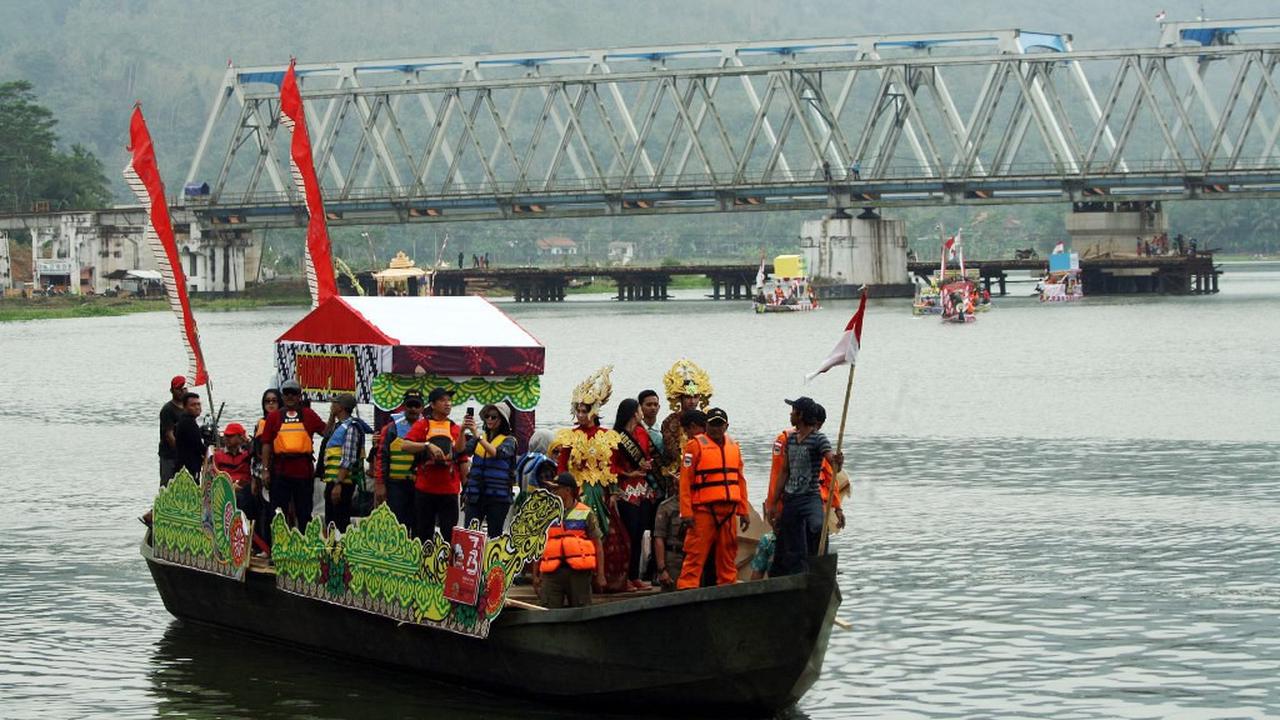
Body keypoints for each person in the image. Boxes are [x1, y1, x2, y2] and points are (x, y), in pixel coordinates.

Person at [549, 366, 629, 592]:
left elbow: (613, 467)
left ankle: (602, 577)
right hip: (578, 491)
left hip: (602, 492)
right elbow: (562, 467)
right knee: (578, 534)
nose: (581, 415)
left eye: (585, 411)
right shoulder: (568, 436)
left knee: (604, 534)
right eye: (579, 410)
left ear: (594, 411)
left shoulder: (609, 437)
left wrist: (613, 492)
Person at [768, 397, 842, 578]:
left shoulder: (819, 439)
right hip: (791, 498)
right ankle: (796, 576)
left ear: (800, 415)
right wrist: (773, 502)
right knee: (791, 544)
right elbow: (784, 472)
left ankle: (817, 571)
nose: (790, 414)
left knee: (817, 527)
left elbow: (832, 462)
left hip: (810, 497)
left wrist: (837, 462)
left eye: (793, 411)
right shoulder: (791, 440)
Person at [677, 408, 749, 589]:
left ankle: (727, 588)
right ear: (706, 426)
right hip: (703, 511)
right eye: (712, 424)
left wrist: (744, 510)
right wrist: (686, 512)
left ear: (726, 426)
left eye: (720, 424)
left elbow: (740, 479)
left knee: (728, 554)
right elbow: (685, 482)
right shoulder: (694, 446)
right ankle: (687, 589)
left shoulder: (734, 446)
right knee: (694, 554)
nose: (716, 429)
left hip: (729, 511)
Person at [396, 387, 467, 542]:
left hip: (449, 489)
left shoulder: (455, 428)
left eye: (449, 401)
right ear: (433, 405)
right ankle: (423, 564)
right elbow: (405, 445)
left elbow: (461, 455)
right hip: (425, 488)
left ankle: (447, 565)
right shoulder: (423, 425)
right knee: (423, 533)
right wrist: (427, 445)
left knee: (449, 535)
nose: (448, 404)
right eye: (443, 400)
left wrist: (466, 487)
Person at [260, 379, 327, 532]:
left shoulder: (309, 415)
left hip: (303, 472)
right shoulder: (273, 417)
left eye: (294, 393)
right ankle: (277, 547)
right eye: (286, 393)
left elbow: (326, 433)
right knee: (278, 513)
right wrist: (265, 470)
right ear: (282, 396)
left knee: (304, 512)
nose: (290, 396)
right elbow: (266, 444)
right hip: (280, 471)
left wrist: (333, 416)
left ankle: (305, 545)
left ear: (299, 396)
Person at [534, 472, 606, 608]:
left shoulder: (586, 513)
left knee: (582, 610)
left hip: (579, 574)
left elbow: (598, 545)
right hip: (552, 574)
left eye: (556, 489)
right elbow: (539, 545)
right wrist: (535, 575)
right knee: (548, 610)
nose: (552, 492)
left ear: (567, 491)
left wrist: (600, 575)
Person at [610, 398, 659, 590]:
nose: (641, 413)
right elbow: (611, 465)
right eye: (639, 409)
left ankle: (634, 575)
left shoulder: (642, 432)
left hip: (642, 490)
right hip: (625, 489)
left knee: (639, 533)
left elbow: (647, 456)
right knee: (627, 534)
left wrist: (647, 464)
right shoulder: (616, 437)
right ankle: (624, 578)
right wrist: (628, 473)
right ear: (633, 413)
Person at [462, 402, 518, 538]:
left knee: (495, 536)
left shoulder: (510, 441)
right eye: (487, 416)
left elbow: (497, 453)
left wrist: (477, 435)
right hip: (475, 496)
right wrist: (462, 431)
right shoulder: (479, 439)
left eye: (494, 417)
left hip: (498, 498)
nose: (489, 420)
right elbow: (461, 451)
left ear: (502, 420)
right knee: (470, 533)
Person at [659, 360, 713, 496]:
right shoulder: (670, 421)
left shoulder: (706, 418)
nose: (692, 401)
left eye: (695, 397)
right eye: (688, 397)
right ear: (680, 399)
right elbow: (672, 452)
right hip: (678, 475)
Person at [376, 389, 425, 532]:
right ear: (404, 406)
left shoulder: (429, 426)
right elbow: (381, 457)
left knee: (419, 525)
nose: (413, 409)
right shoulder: (391, 429)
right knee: (397, 526)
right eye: (410, 405)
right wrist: (380, 484)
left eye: (417, 405)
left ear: (422, 408)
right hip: (396, 485)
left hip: (420, 485)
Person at [321, 394, 367, 533]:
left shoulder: (351, 428)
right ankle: (332, 549)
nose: (331, 406)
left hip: (342, 482)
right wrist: (331, 417)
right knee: (331, 519)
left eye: (334, 403)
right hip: (332, 480)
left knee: (340, 519)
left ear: (341, 407)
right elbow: (325, 434)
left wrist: (338, 484)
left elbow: (348, 457)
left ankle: (340, 550)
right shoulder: (337, 426)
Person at [652, 486, 692, 590]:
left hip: (693, 558)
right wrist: (661, 569)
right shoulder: (666, 506)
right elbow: (659, 538)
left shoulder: (698, 504)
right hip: (674, 559)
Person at [213, 423, 254, 516]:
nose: (227, 438)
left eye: (230, 436)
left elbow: (256, 451)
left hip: (244, 488)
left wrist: (246, 440)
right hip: (225, 488)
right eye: (226, 436)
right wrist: (231, 486)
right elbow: (214, 476)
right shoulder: (218, 456)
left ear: (240, 438)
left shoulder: (247, 454)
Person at [158, 375, 187, 486]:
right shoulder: (168, 410)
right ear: (172, 390)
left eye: (183, 388)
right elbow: (169, 435)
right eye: (178, 388)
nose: (181, 391)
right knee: (168, 485)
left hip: (183, 455)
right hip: (169, 455)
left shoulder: (187, 408)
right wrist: (180, 452)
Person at [173, 391, 210, 480]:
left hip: (186, 465)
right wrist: (210, 453)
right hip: (188, 467)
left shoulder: (187, 420)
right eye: (193, 405)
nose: (197, 407)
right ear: (185, 407)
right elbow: (198, 445)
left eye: (198, 404)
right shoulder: (188, 422)